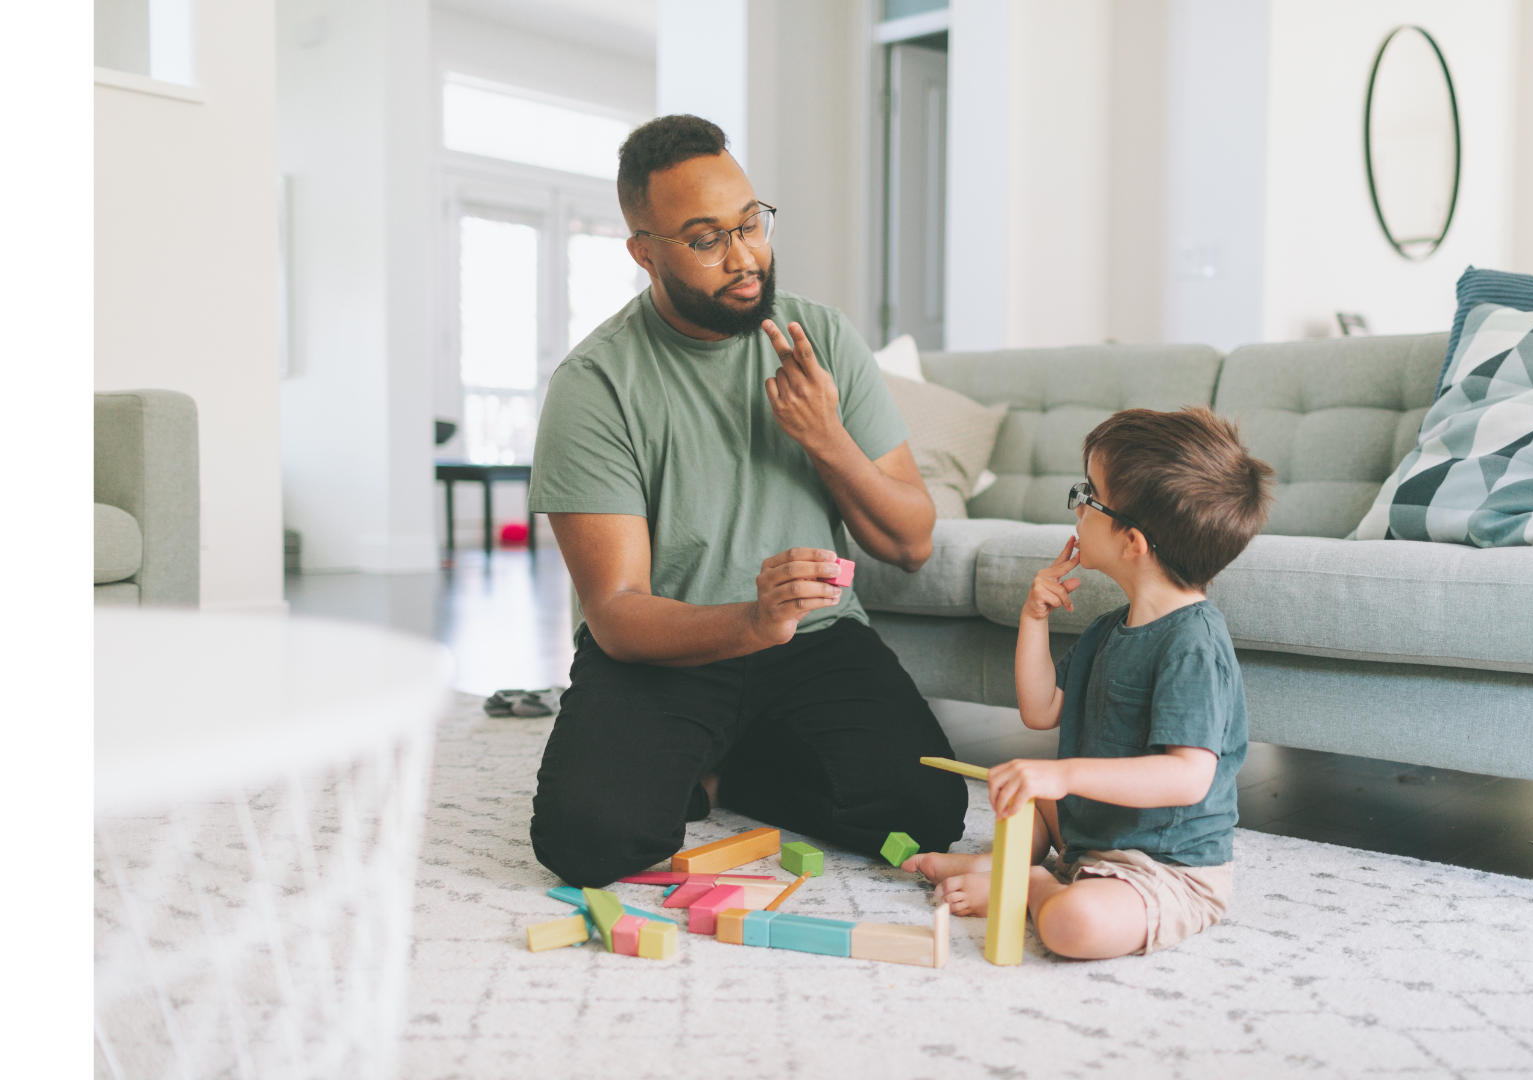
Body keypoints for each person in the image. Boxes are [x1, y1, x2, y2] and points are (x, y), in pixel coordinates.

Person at [527, 114, 968, 887]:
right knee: (590, 840)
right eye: (705, 240)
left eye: (750, 223)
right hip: (670, 646)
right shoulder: (594, 385)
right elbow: (618, 612)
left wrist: (826, 437)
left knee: (925, 811)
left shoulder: (821, 337)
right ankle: (703, 754)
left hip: (815, 638)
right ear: (643, 253)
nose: (744, 256)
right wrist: (750, 621)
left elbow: (911, 541)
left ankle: (723, 775)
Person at [904, 407, 1275, 958]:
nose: (1077, 510)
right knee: (1026, 795)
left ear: (1133, 543)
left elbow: (1189, 777)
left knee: (1073, 926)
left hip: (1162, 865)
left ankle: (1031, 883)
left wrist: (1064, 773)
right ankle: (1010, 863)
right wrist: (1034, 620)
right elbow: (1041, 708)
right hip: (1090, 834)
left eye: (1089, 496)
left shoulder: (1192, 643)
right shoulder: (1111, 629)